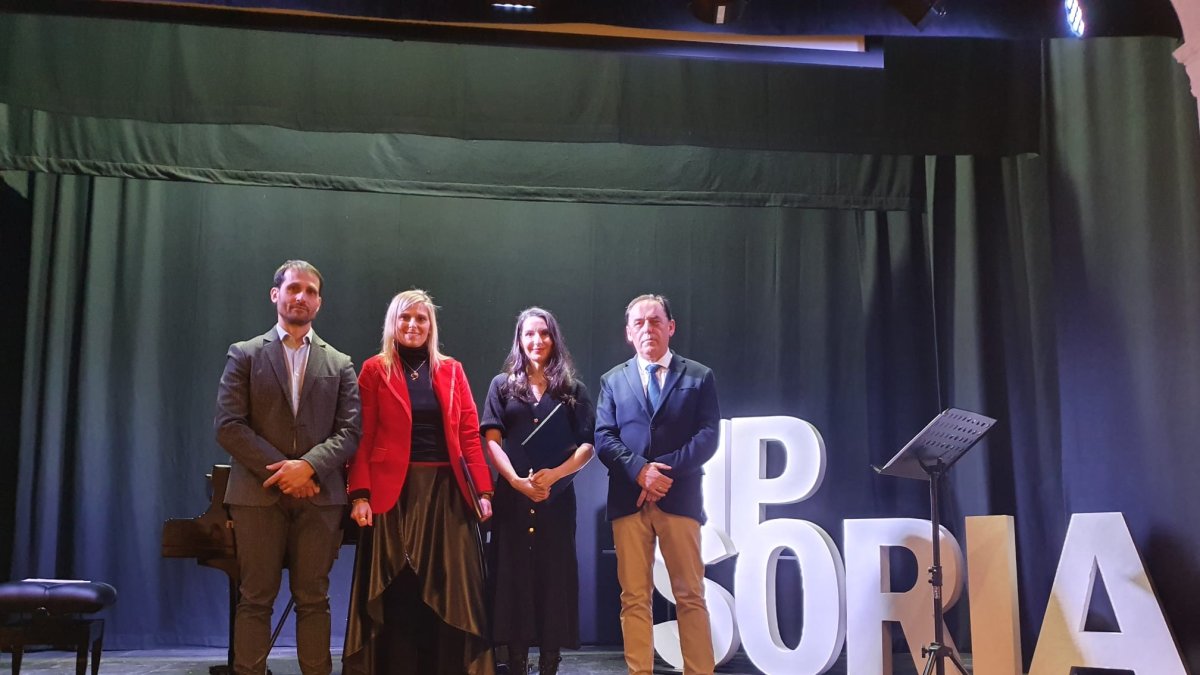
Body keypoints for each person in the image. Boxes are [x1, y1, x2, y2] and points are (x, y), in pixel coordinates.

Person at [214, 260, 362, 675]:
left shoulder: (340, 363)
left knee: (314, 598)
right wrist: (284, 472)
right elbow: (228, 425)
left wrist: (309, 468)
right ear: (275, 294)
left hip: (320, 498)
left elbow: (350, 432)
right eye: (294, 288)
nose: (302, 296)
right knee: (256, 598)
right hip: (257, 497)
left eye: (311, 291)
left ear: (320, 302)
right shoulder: (243, 354)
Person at [342, 289, 495, 675]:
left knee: (454, 592)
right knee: (399, 592)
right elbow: (362, 436)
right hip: (393, 494)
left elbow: (469, 435)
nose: (413, 325)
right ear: (392, 324)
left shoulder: (452, 370)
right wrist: (359, 493)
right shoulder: (374, 369)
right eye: (405, 318)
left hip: (447, 492)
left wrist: (484, 490)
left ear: (431, 326)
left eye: (421, 319)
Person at [595, 294, 721, 675]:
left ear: (671, 327)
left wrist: (661, 472)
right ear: (628, 333)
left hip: (679, 499)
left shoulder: (699, 376)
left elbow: (708, 434)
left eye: (655, 321)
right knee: (634, 598)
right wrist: (638, 470)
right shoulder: (612, 380)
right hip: (627, 501)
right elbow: (604, 436)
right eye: (639, 323)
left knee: (690, 595)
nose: (647, 329)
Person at [481, 307, 596, 675]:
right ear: (519, 339)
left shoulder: (572, 390)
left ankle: (549, 663)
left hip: (556, 503)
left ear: (554, 339)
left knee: (552, 579)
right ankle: (516, 663)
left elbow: (588, 446)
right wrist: (516, 482)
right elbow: (492, 440)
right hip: (512, 502)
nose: (537, 341)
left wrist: (555, 476)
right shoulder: (501, 386)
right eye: (529, 334)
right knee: (512, 578)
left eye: (544, 334)